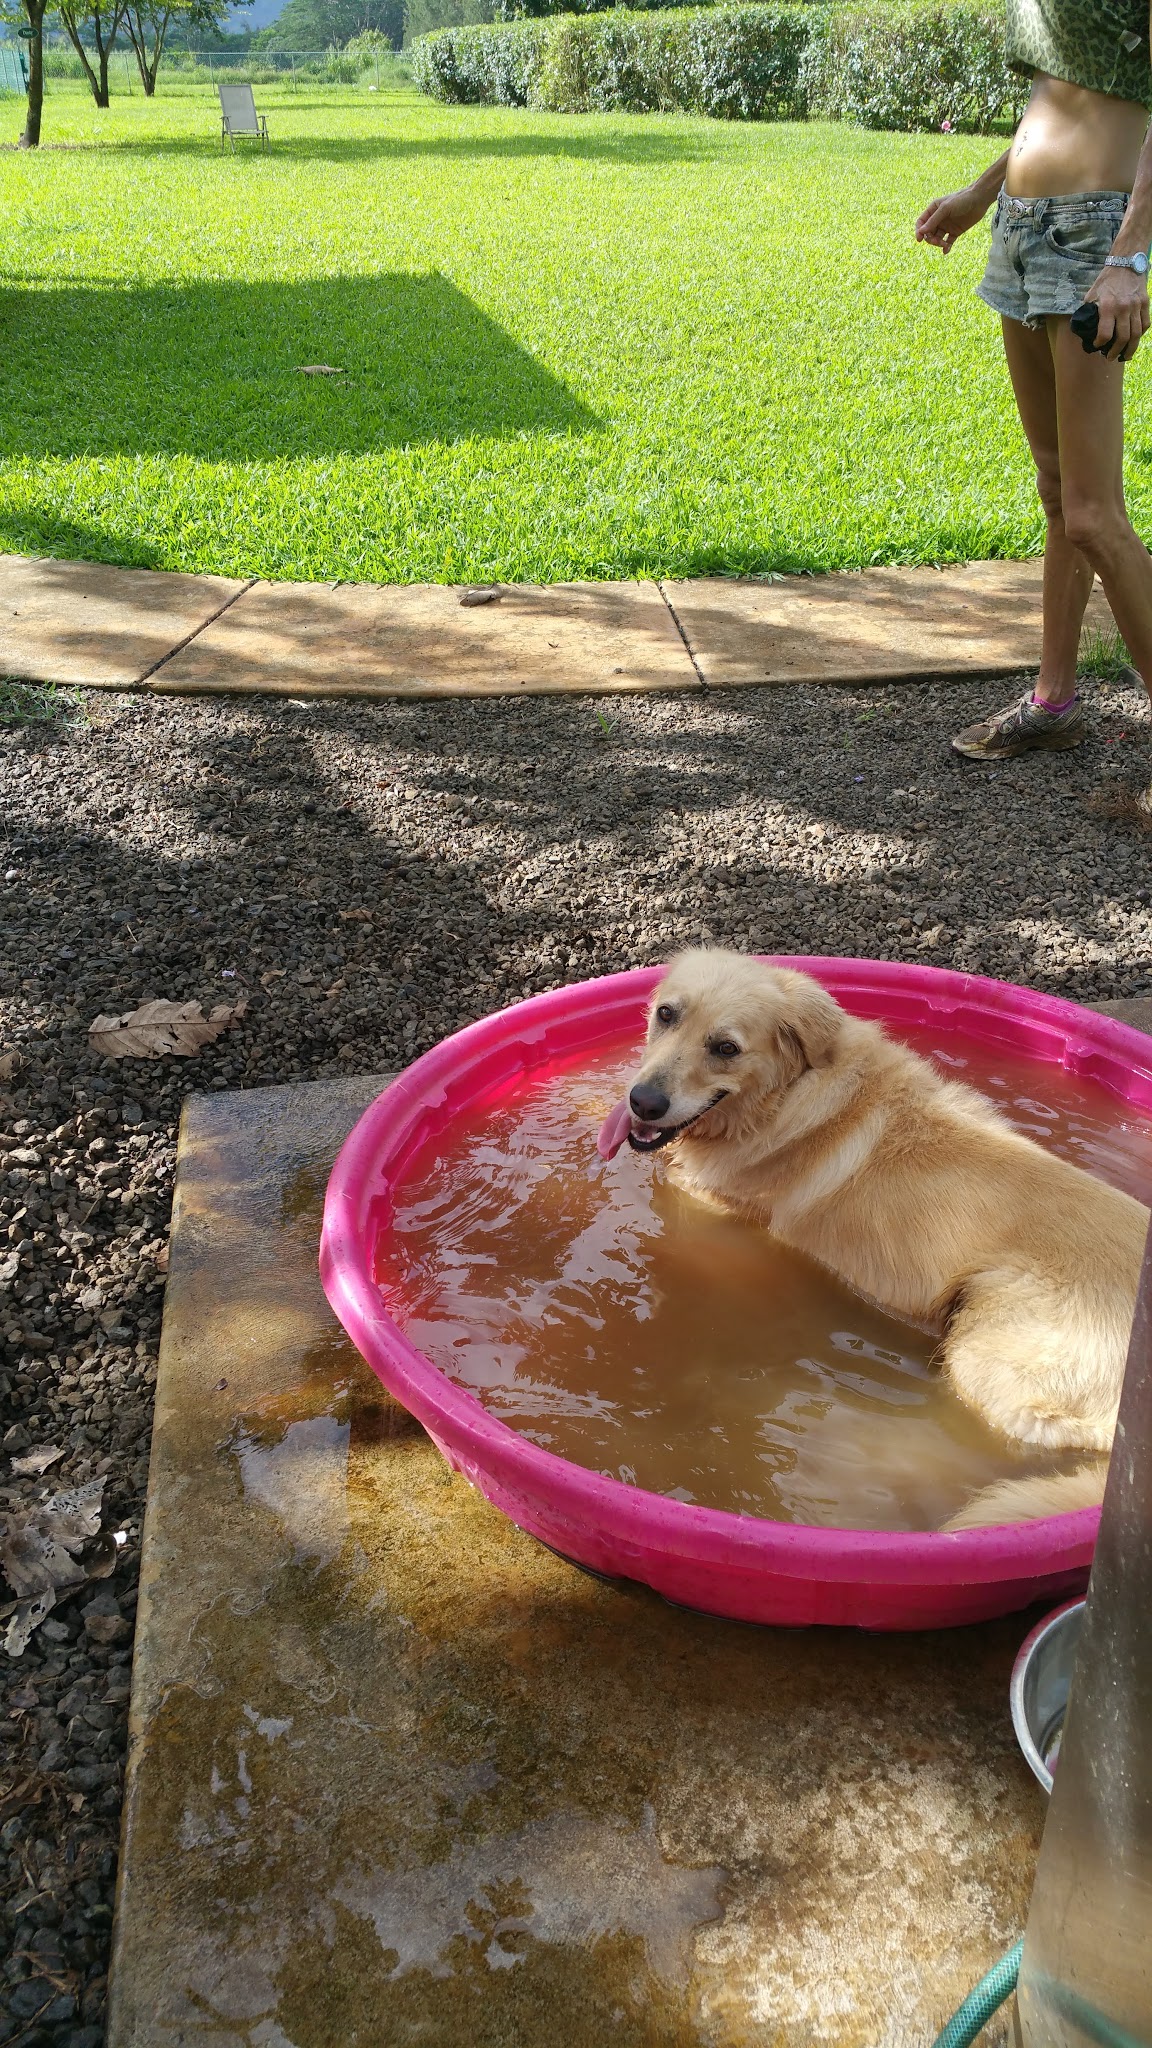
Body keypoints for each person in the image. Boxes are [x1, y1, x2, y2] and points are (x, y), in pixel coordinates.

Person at [916, 0, 1152, 806]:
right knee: (1057, 493)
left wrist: (1133, 256)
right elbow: (1055, 102)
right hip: (1021, 225)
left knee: (1093, 513)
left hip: (1097, 235)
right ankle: (1054, 704)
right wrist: (986, 191)